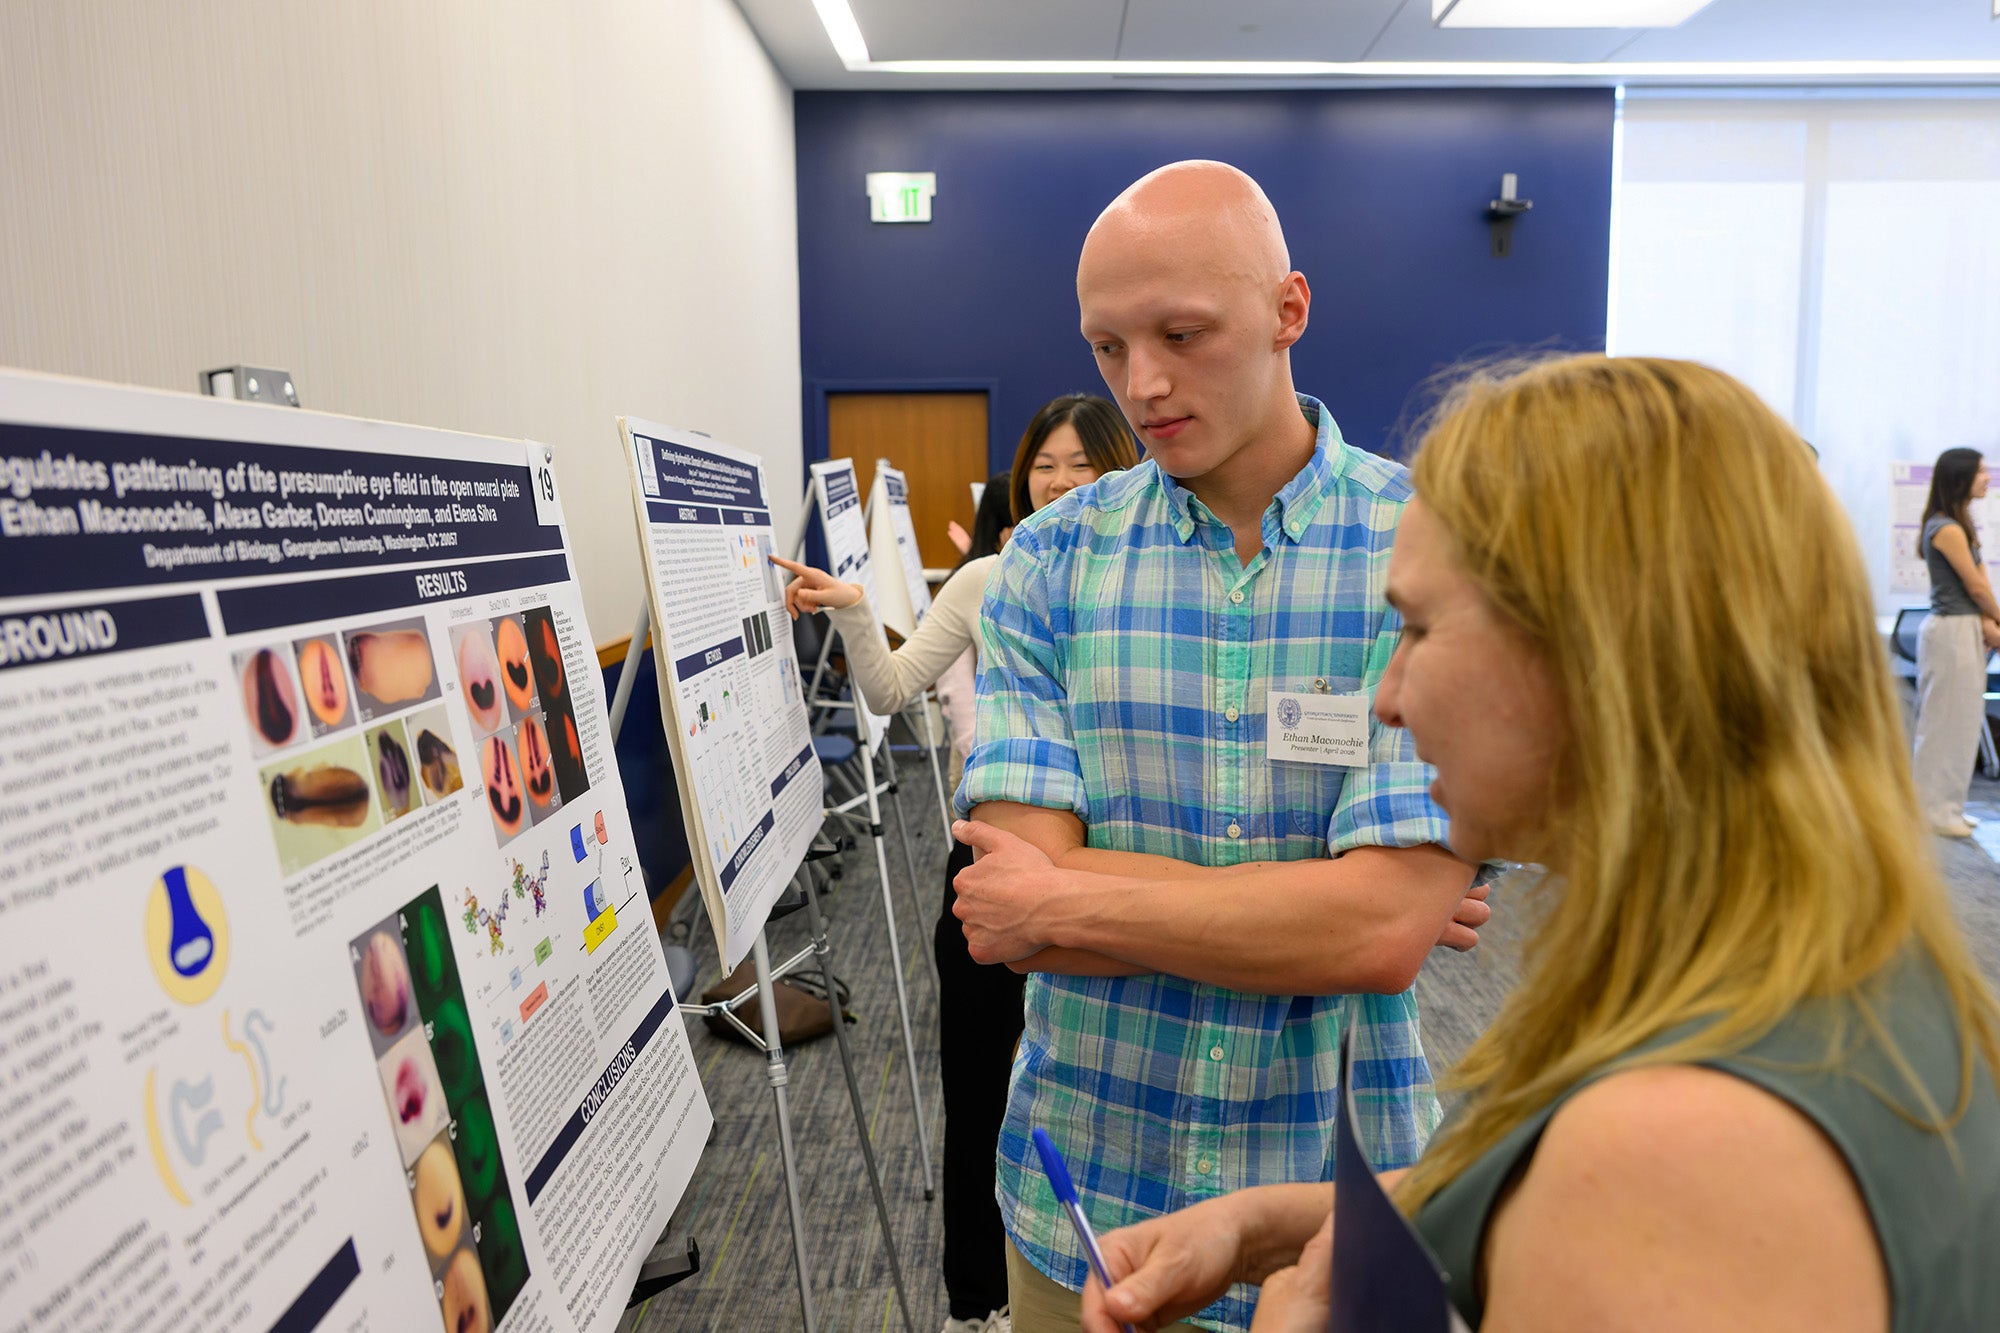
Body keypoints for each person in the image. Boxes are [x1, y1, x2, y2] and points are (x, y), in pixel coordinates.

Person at [1078, 356, 2000, 1333]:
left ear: (1592, 656)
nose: (1386, 696)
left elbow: (1610, 1202)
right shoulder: (1847, 970)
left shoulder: (1673, 1151)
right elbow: (1528, 1197)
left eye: (1419, 628)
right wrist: (1258, 1224)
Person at [949, 161, 1489, 1333]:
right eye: (1105, 347)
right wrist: (1331, 898)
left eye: (1182, 333)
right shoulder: (1049, 560)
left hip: (1340, 1206)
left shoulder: (1425, 544)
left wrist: (1070, 893)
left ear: (1288, 310)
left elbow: (1383, 935)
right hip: (1080, 1204)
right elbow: (1004, 905)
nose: (1139, 385)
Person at [773, 393, 1140, 1333]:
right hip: (986, 872)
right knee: (980, 1096)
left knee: (1104, 1099)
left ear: (1123, 470)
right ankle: (978, 1302)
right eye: (1043, 464)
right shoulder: (985, 578)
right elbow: (893, 687)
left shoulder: (1146, 580)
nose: (1058, 481)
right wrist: (857, 608)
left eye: (1081, 466)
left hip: (1114, 881)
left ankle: (1105, 1282)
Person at [1913, 447, 2000, 838]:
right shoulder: (1945, 527)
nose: (1988, 478)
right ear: (1961, 477)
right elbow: (1978, 587)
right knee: (1942, 724)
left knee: (1963, 723)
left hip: (1964, 629)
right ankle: (1932, 810)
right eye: (1981, 471)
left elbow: (1981, 587)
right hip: (1950, 631)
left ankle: (1948, 805)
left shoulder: (1961, 526)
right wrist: (1996, 618)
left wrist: (1990, 624)